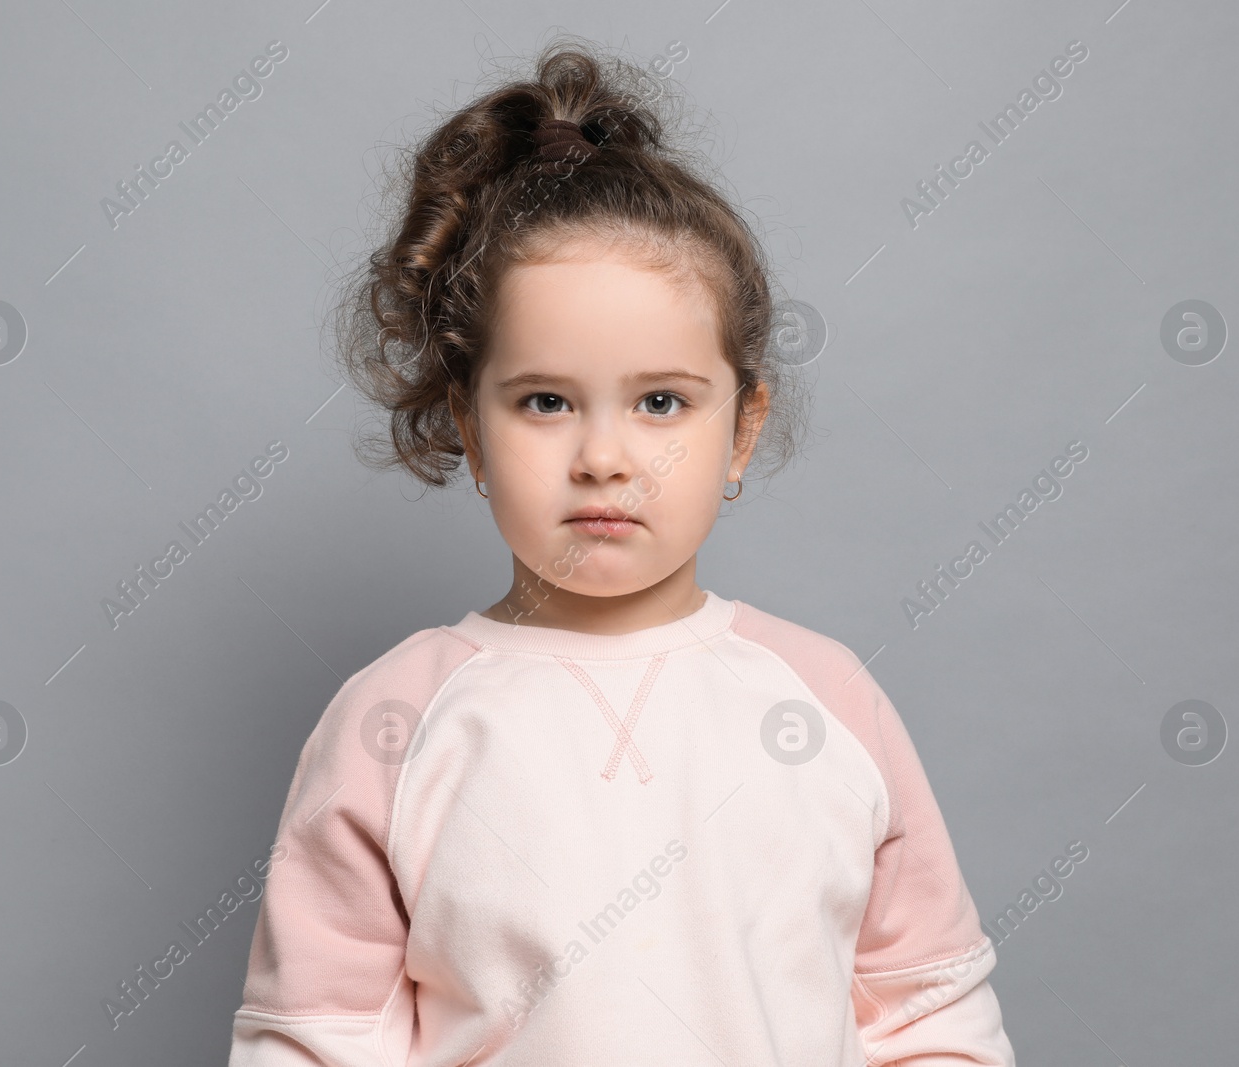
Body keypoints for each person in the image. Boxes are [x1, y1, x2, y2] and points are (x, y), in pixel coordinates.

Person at [228, 36, 1016, 1066]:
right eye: (545, 401)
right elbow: (314, 1042)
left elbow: (929, 1018)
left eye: (659, 402)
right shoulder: (392, 723)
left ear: (740, 428)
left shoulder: (825, 701)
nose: (604, 457)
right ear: (469, 427)